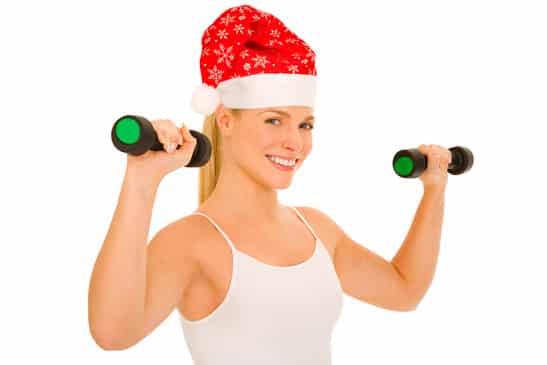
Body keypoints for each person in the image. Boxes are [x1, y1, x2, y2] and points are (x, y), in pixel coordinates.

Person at [88, 4, 451, 364]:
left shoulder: (317, 229)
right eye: (274, 121)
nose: (295, 142)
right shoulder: (192, 242)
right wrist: (142, 180)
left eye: (305, 124)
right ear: (225, 120)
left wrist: (434, 189)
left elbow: (404, 290)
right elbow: (112, 332)